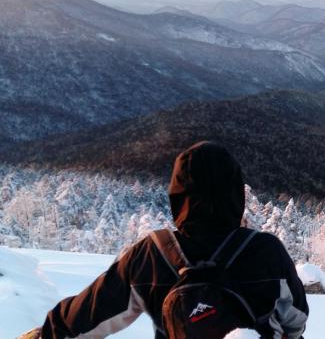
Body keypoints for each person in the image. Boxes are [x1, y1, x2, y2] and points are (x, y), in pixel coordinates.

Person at [23, 141, 308, 339]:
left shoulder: (152, 254)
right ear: (236, 193)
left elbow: (89, 314)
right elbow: (296, 319)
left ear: (177, 194)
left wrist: (47, 331)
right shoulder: (266, 250)